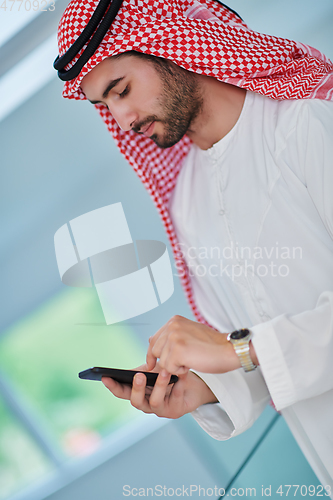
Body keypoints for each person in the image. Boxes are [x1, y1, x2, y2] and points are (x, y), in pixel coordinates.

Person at [54, 0, 333, 494]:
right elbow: (254, 355)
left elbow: (248, 347)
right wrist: (198, 391)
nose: (122, 119)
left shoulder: (306, 124)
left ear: (176, 44)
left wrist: (238, 349)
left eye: (121, 90)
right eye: (105, 107)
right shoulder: (189, 202)